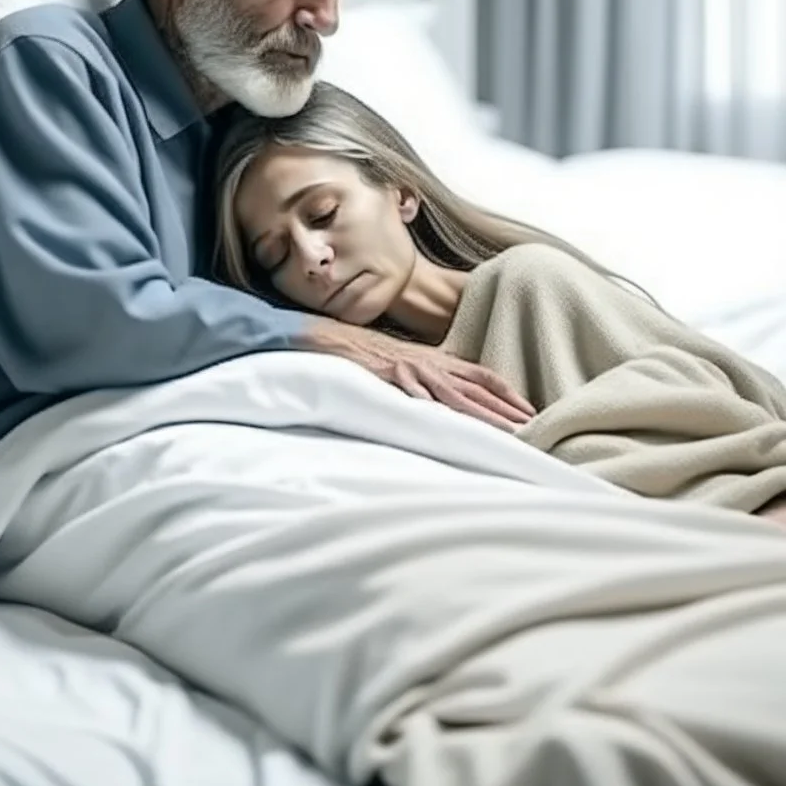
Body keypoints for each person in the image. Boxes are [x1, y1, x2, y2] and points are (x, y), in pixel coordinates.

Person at [0, 0, 532, 492]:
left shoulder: (257, 131)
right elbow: (86, 320)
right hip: (41, 460)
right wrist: (338, 344)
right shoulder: (48, 65)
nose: (328, 16)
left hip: (223, 438)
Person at [214, 79, 786, 520]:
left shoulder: (529, 282)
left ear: (401, 191)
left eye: (323, 214)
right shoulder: (353, 381)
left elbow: (734, 401)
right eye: (274, 255)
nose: (311, 257)